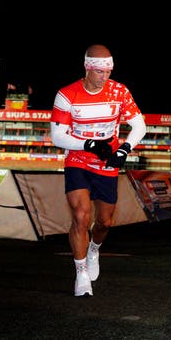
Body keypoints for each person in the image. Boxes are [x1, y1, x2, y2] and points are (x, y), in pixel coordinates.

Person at [50, 44, 147, 297]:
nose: (105, 77)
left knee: (104, 222)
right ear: (87, 68)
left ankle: (94, 249)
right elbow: (57, 136)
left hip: (107, 163)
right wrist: (88, 144)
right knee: (82, 216)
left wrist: (124, 149)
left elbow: (139, 126)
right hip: (78, 160)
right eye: (99, 72)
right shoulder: (67, 95)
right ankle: (81, 273)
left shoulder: (119, 91)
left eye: (109, 71)